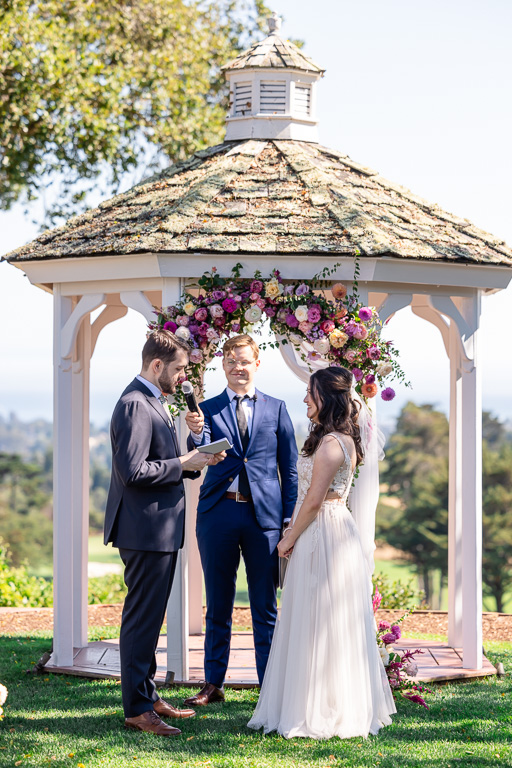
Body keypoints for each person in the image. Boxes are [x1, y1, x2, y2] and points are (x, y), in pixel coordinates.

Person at [248, 366, 396, 739]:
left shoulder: (332, 444)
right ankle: (318, 699)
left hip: (323, 531)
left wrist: (288, 538)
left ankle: (320, 708)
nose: (304, 400)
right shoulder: (335, 438)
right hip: (327, 527)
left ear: (325, 398)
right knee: (315, 617)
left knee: (320, 618)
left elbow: (314, 501)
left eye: (310, 394)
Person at [104, 329, 225, 737]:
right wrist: (186, 461)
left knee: (150, 617)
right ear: (156, 366)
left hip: (158, 528)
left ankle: (147, 693)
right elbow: (133, 471)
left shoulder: (152, 401)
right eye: (177, 369)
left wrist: (194, 452)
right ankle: (137, 709)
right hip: (145, 530)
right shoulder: (136, 404)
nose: (181, 378)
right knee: (141, 620)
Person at [183, 334, 298, 706]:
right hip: (218, 513)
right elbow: (197, 452)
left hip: (263, 516)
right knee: (218, 603)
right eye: (231, 361)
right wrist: (196, 433)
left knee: (265, 606)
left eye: (244, 361)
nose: (238, 367)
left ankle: (271, 687)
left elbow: (290, 469)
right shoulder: (208, 408)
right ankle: (213, 685)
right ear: (223, 365)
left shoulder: (277, 408)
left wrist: (287, 521)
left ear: (257, 363)